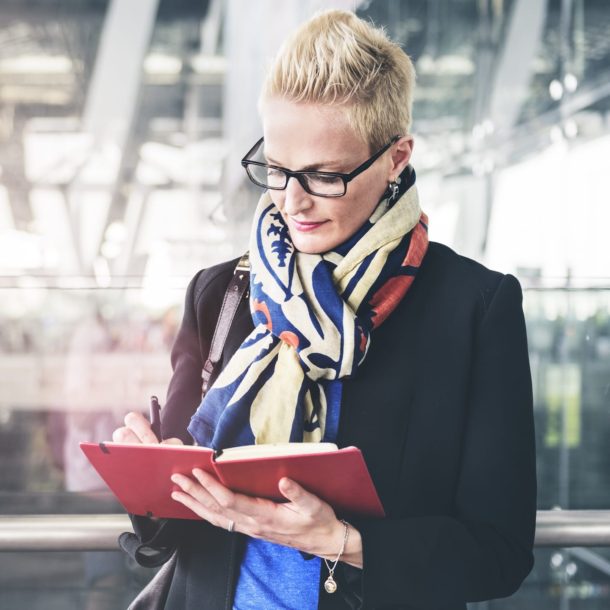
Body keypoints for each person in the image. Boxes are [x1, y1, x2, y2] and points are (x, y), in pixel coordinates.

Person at [112, 9, 536, 610]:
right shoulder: (222, 294)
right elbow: (175, 534)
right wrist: (152, 484)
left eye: (325, 176)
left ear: (396, 158)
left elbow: (499, 551)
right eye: (278, 170)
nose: (292, 200)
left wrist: (343, 541)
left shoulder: (473, 308)